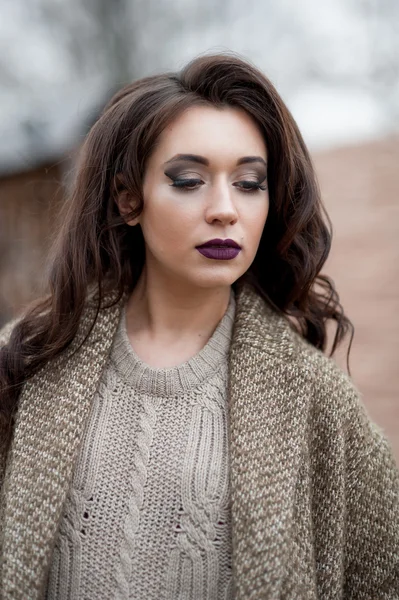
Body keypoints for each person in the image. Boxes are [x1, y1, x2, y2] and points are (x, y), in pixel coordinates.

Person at [0, 53, 398, 600]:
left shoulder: (313, 396)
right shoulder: (29, 357)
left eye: (250, 182)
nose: (224, 209)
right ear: (128, 198)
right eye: (188, 180)